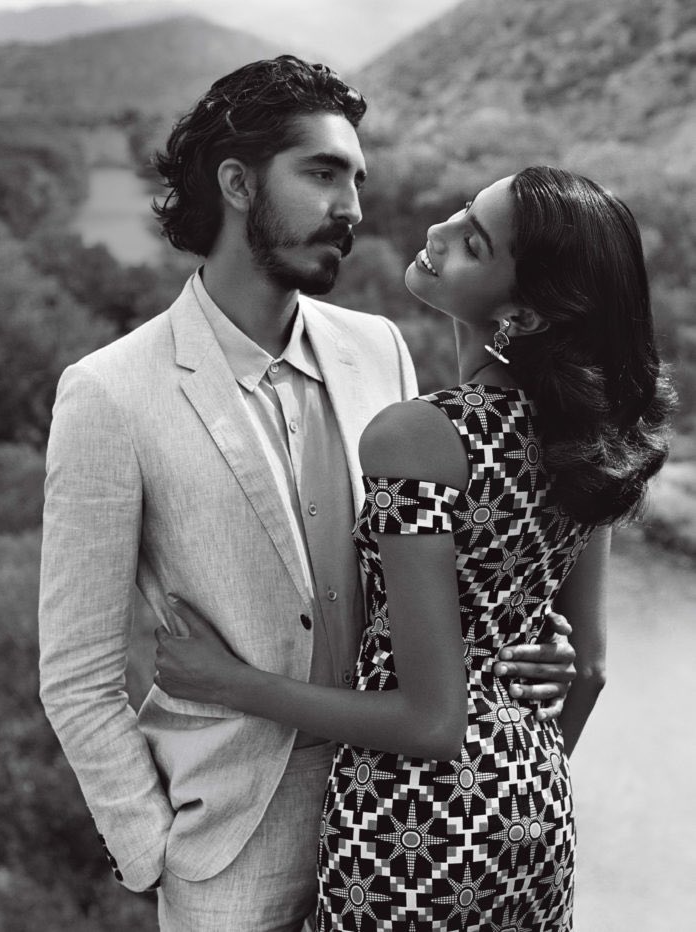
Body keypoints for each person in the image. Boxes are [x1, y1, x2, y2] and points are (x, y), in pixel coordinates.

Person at [39, 57, 576, 932]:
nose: (352, 206)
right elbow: (77, 672)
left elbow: (434, 579)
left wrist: (526, 643)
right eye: (323, 173)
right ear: (239, 183)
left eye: (357, 179)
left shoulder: (381, 348)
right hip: (229, 857)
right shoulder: (110, 393)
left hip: (405, 829)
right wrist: (153, 852)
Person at [155, 165, 674, 930]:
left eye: (474, 241)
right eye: (463, 209)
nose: (439, 231)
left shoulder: (421, 435)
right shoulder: (589, 435)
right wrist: (504, 788)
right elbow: (589, 671)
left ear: (524, 315)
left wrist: (228, 682)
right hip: (535, 813)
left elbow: (432, 723)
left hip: (411, 831)